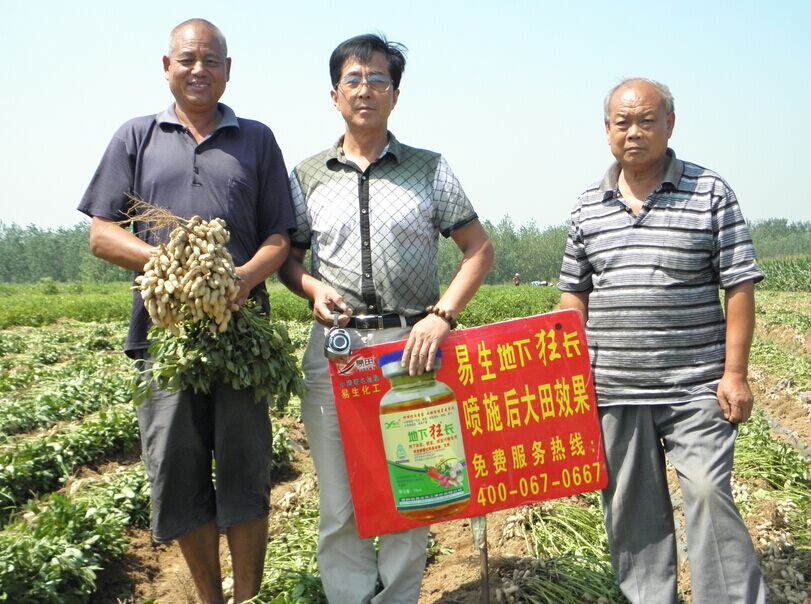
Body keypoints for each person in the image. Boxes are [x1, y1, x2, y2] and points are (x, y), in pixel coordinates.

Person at [77, 19, 295, 604]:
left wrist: (241, 279)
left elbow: (279, 236)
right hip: (164, 338)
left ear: (229, 70)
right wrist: (172, 267)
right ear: (167, 66)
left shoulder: (257, 139)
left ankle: (247, 597)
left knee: (246, 471)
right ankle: (210, 599)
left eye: (211, 60)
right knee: (177, 472)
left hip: (240, 330)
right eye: (188, 59)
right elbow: (101, 234)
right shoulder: (136, 136)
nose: (199, 70)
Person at [278, 33, 494, 603]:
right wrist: (311, 287)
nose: (365, 90)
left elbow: (478, 249)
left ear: (396, 95)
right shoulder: (307, 174)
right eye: (353, 79)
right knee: (340, 499)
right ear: (334, 95)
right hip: (337, 348)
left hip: (412, 347)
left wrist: (442, 315)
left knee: (411, 483)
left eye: (378, 80)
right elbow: (288, 259)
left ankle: (398, 597)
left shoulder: (429, 168)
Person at [558, 78, 766, 603]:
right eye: (622, 122)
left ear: (669, 125)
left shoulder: (709, 192)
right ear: (606, 130)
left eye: (646, 121)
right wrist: (568, 372)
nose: (634, 132)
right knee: (631, 511)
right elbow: (573, 295)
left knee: (709, 493)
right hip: (614, 388)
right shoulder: (588, 206)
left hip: (695, 386)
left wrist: (735, 374)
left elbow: (739, 284)